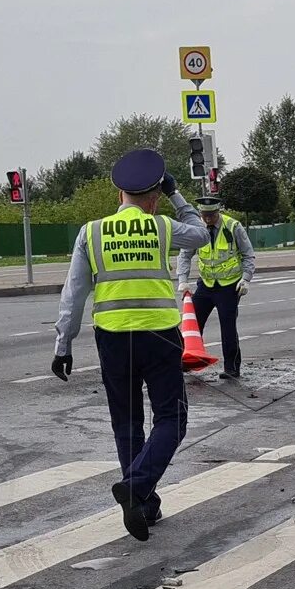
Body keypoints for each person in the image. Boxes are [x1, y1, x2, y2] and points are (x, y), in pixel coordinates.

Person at [50, 148, 211, 541]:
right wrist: (178, 196)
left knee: (127, 423)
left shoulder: (91, 232)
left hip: (113, 339)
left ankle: (142, 502)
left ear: (118, 194)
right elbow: (202, 234)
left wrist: (63, 345)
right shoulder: (161, 226)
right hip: (159, 335)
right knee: (172, 420)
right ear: (154, 197)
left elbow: (74, 293)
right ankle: (137, 489)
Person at [176, 194, 255, 382]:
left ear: (218, 211)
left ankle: (232, 368)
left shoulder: (233, 227)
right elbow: (185, 254)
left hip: (229, 286)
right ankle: (188, 360)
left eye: (211, 214)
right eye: (204, 215)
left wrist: (245, 279)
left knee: (228, 327)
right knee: (193, 323)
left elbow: (248, 254)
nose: (208, 218)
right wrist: (183, 279)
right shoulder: (197, 229)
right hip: (206, 284)